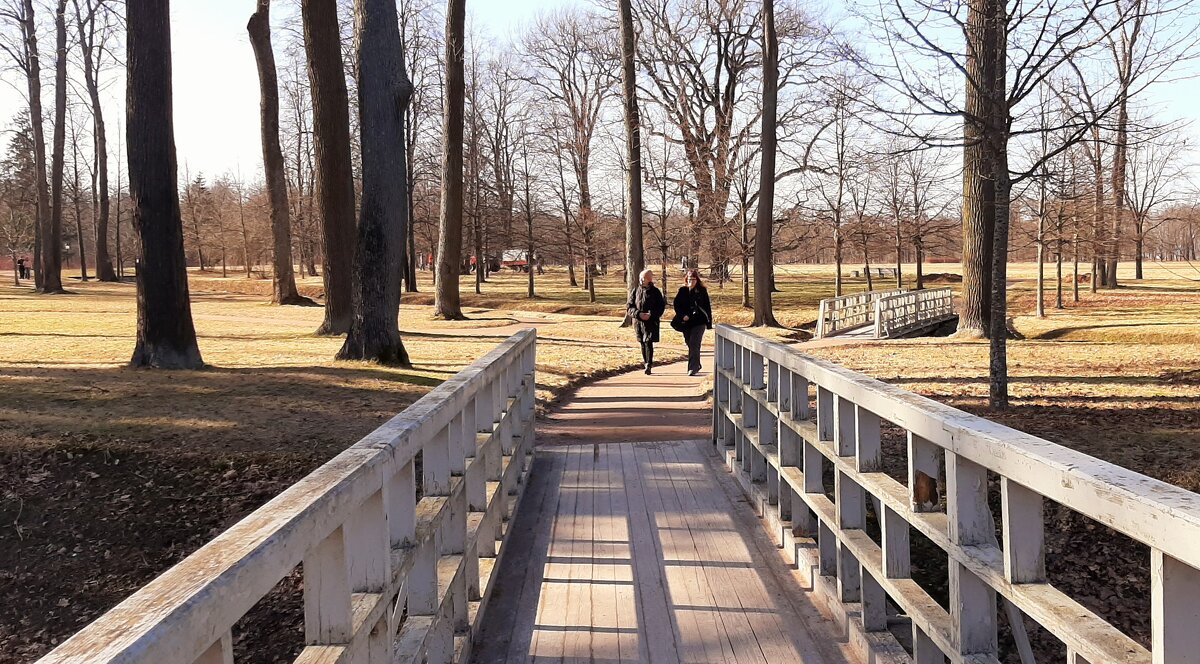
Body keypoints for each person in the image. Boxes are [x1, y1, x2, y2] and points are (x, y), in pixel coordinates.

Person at [672, 268, 713, 376]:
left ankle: (692, 368)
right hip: (686, 322)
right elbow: (677, 305)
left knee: (695, 343)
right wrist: (683, 316)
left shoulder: (702, 291)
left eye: (694, 279)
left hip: (699, 322)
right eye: (690, 278)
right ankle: (697, 364)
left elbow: (707, 307)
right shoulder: (682, 291)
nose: (691, 281)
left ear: (697, 280)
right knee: (690, 343)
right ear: (686, 279)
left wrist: (709, 323)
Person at [626, 267, 666, 375]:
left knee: (648, 342)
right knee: (642, 342)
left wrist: (651, 315)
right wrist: (638, 314)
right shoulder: (635, 291)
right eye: (643, 278)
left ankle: (649, 364)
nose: (643, 280)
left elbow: (661, 307)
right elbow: (629, 307)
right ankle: (645, 362)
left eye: (646, 278)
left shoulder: (656, 292)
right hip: (639, 322)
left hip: (651, 322)